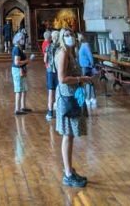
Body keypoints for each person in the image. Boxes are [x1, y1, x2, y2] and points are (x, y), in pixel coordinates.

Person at [56, 28, 92, 188]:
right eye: (66, 35)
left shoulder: (71, 52)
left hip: (73, 95)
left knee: (70, 135)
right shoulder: (63, 53)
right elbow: (62, 78)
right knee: (67, 134)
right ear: (62, 38)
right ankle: (68, 174)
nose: (69, 37)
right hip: (67, 98)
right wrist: (81, 78)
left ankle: (69, 170)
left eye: (71, 34)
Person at [11, 31, 33, 115]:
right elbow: (17, 62)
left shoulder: (19, 48)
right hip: (17, 70)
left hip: (21, 70)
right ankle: (17, 109)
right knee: (19, 90)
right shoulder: (16, 49)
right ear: (18, 39)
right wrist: (27, 60)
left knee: (23, 88)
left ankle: (23, 106)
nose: (23, 40)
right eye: (22, 39)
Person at [78, 33, 96, 107]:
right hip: (84, 66)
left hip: (87, 66)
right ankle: (92, 97)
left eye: (79, 36)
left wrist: (92, 65)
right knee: (89, 82)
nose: (78, 38)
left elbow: (90, 56)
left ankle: (88, 98)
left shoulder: (85, 45)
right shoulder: (82, 45)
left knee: (87, 82)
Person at [44, 30, 59, 121]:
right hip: (59, 71)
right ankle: (60, 110)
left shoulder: (48, 47)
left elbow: (45, 60)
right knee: (59, 91)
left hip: (50, 71)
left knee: (51, 92)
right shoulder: (61, 48)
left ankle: (50, 112)